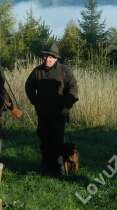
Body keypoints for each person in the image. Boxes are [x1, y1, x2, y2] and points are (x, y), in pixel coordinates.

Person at [25, 42, 78, 173]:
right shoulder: (37, 71)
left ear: (56, 59)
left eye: (50, 57)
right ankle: (46, 166)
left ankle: (59, 168)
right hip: (43, 113)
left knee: (58, 141)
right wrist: (35, 102)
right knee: (44, 140)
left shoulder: (64, 71)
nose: (47, 59)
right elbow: (29, 87)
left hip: (59, 113)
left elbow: (73, 88)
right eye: (45, 56)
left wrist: (67, 106)